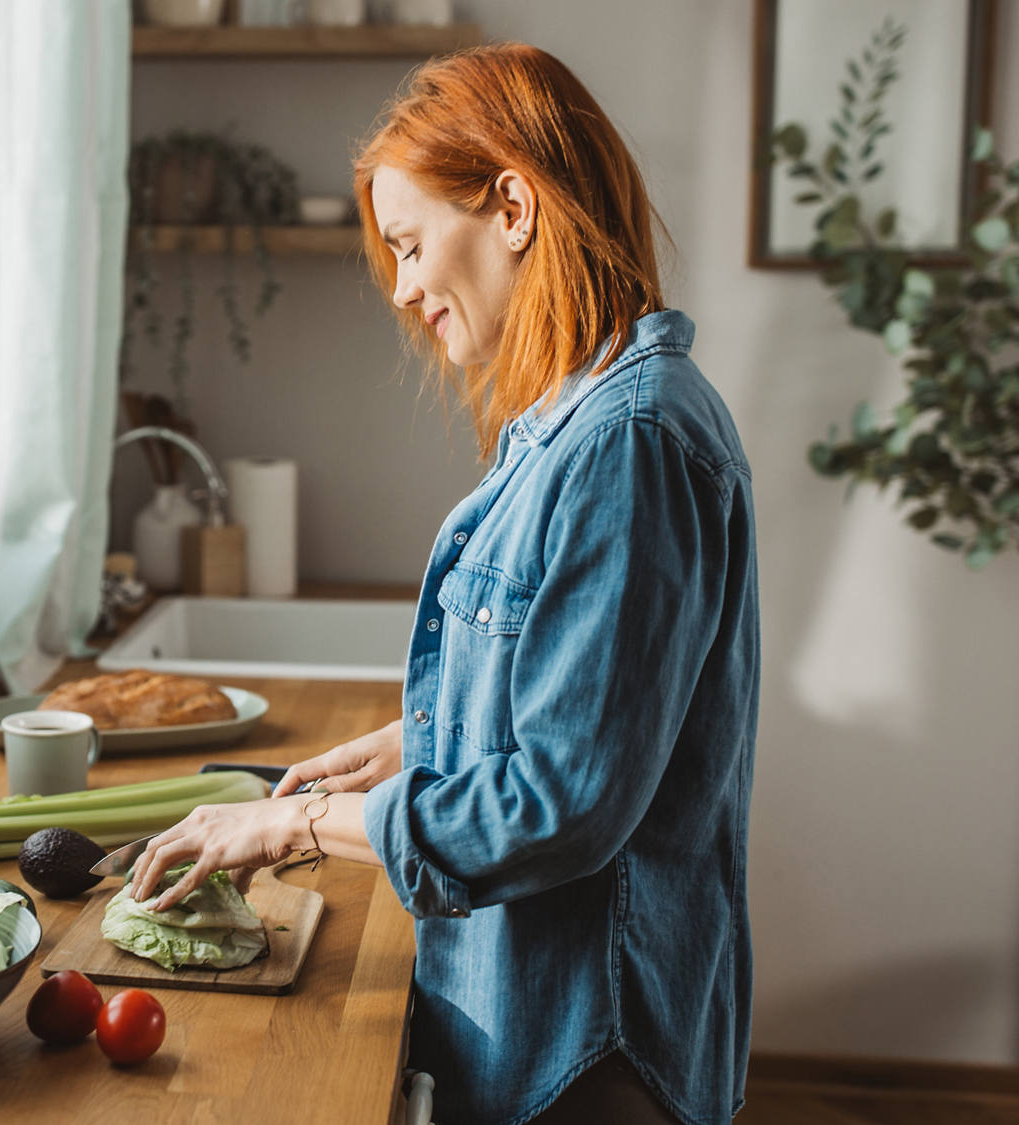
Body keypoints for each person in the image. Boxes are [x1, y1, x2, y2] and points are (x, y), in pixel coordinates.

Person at [127, 42, 758, 1125]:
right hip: (542, 1014)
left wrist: (295, 825)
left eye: (412, 245)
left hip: (585, 1042)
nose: (406, 287)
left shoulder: (628, 445)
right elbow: (580, 714)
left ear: (512, 205)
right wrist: (423, 742)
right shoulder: (575, 426)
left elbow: (560, 806)